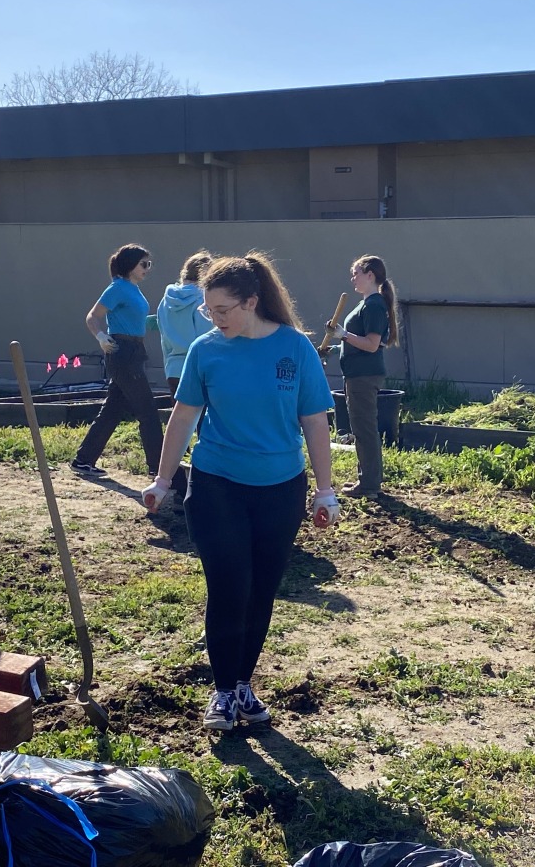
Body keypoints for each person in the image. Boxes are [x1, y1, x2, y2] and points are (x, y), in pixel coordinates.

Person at [139, 252, 340, 731]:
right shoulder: (206, 350)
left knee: (261, 592)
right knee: (229, 587)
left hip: (280, 489)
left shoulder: (295, 349)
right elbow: (184, 416)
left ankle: (244, 685)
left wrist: (326, 490)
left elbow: (314, 420)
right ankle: (224, 690)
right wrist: (164, 480)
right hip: (217, 485)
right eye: (209, 310)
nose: (215, 318)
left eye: (223, 310)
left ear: (252, 302)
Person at [70, 244, 165, 480]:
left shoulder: (133, 289)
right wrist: (100, 336)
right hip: (121, 351)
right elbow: (93, 316)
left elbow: (137, 320)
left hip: (134, 349)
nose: (147, 269)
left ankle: (83, 460)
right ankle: (160, 469)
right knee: (148, 412)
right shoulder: (118, 288)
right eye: (144, 264)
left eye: (149, 264)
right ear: (130, 265)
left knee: (112, 409)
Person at [324, 254, 399, 498]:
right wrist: (333, 347)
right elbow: (355, 343)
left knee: (365, 429)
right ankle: (366, 480)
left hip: (364, 377)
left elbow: (371, 343)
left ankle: (369, 485)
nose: (352, 278)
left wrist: (342, 335)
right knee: (361, 428)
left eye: (356, 273)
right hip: (357, 375)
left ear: (370, 275)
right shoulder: (366, 304)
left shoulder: (374, 305)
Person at [156, 250, 214, 398]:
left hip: (173, 368)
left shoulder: (165, 301)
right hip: (199, 368)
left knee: (181, 419)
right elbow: (206, 338)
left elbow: (164, 340)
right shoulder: (203, 300)